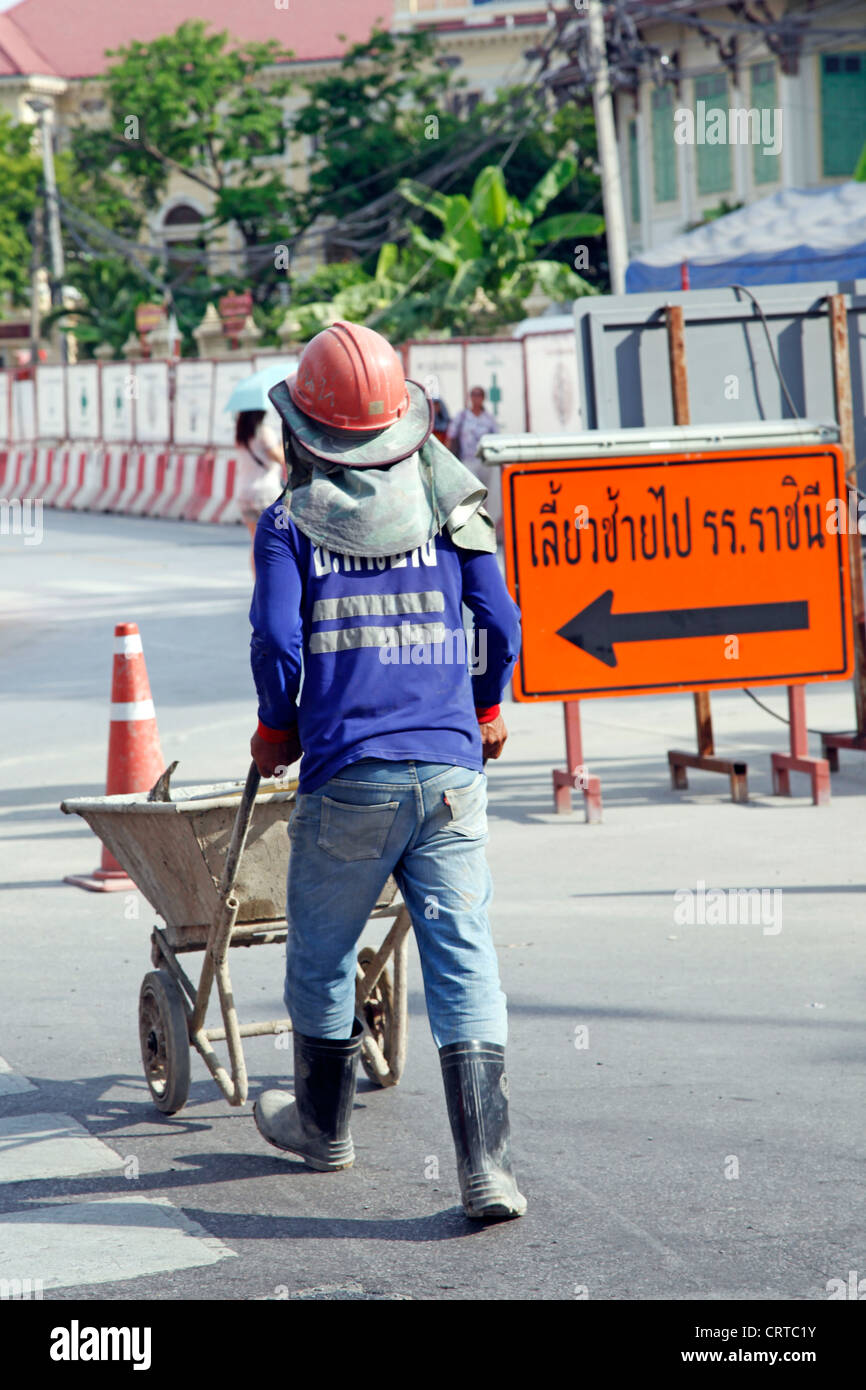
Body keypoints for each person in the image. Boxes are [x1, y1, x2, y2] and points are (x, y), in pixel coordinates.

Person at [248, 320, 526, 1221]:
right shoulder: (451, 500)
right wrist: (484, 708)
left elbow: (277, 641)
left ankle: (325, 1129)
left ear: (303, 432)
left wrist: (274, 731)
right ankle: (487, 1168)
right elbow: (501, 621)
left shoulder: (289, 524)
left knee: (322, 955)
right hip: (449, 775)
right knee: (463, 956)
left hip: (348, 783)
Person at [235, 409, 286, 574]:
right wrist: (283, 442)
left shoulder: (240, 435)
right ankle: (270, 581)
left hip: (244, 494)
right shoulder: (264, 432)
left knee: (255, 542)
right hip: (265, 494)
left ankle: (258, 584)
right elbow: (280, 458)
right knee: (273, 542)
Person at [446, 386, 501, 533]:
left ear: (483, 398)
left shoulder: (488, 419)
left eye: (479, 395)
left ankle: (485, 526)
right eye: (473, 395)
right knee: (472, 493)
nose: (476, 398)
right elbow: (451, 436)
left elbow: (497, 439)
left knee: (486, 495)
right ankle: (472, 526)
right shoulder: (463, 416)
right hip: (468, 460)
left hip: (485, 462)